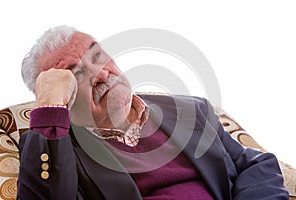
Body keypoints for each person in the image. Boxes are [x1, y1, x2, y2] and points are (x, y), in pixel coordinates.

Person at [17, 25, 289, 200]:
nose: (101, 74)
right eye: (76, 74)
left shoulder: (191, 110)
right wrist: (49, 106)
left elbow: (252, 164)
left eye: (98, 56)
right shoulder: (61, 152)